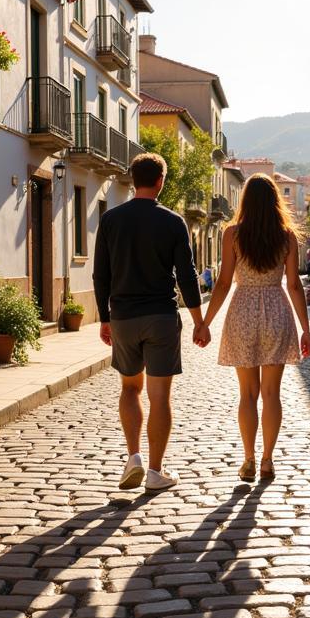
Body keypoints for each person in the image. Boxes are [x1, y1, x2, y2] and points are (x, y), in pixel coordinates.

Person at [93, 152, 209, 492]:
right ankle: (156, 472)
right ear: (160, 181)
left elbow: (101, 274)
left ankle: (134, 457)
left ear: (133, 180)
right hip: (160, 316)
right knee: (160, 397)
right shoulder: (173, 222)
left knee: (130, 388)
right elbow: (186, 276)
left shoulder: (111, 220)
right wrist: (199, 320)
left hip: (124, 317)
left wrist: (104, 318)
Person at [197, 173, 310, 481]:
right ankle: (267, 460)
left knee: (248, 393)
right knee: (272, 393)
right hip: (276, 309)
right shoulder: (286, 236)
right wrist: (305, 328)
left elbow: (222, 283)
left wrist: (205, 323)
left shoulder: (232, 234)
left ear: (245, 200)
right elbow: (294, 285)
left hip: (242, 311)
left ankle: (247, 458)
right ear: (275, 201)